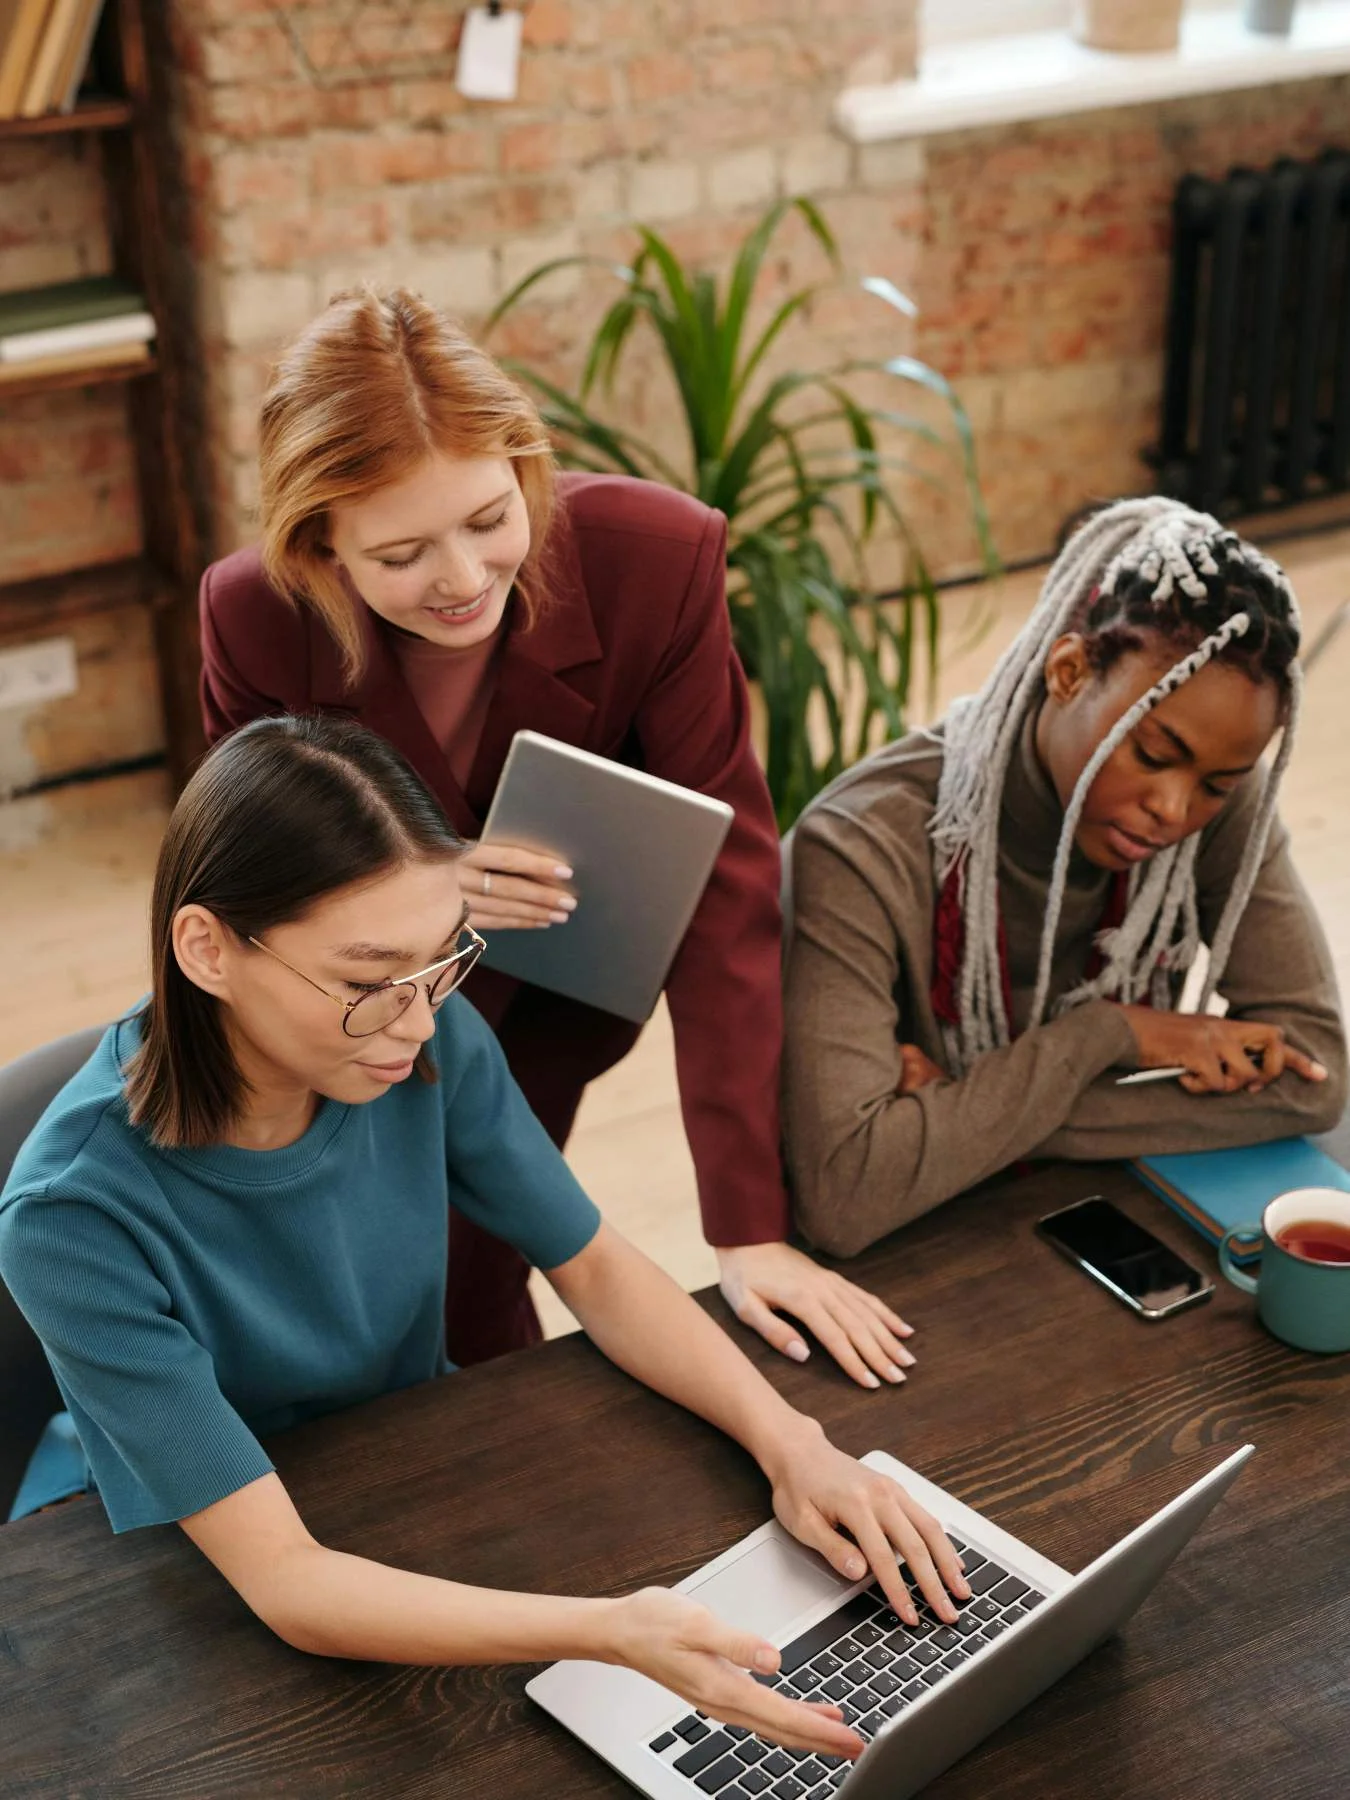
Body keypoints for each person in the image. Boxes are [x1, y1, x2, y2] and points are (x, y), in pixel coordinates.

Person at [0, 715, 969, 1761]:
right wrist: (611, 1632)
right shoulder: (69, 1217)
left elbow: (595, 1265)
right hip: (218, 1574)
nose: (420, 1020)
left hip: (419, 1470)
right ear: (207, 949)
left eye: (443, 960)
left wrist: (795, 1447)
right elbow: (284, 1581)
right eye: (368, 981)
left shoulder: (422, 1036)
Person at [196, 285, 911, 1392]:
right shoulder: (251, 614)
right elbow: (247, 878)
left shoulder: (656, 560)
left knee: (480, 1262)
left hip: (560, 989)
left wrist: (747, 1228)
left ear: (525, 466)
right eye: (401, 554)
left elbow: (729, 889)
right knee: (354, 1280)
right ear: (319, 545)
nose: (462, 579)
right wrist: (429, 882)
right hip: (349, 999)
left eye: (490, 520)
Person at [783, 497, 1347, 1258]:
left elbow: (1315, 1076)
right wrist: (1112, 1035)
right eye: (1153, 755)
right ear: (1069, 672)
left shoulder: (1221, 810)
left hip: (1100, 1212)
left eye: (1217, 784)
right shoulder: (860, 843)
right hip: (912, 1263)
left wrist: (962, 1108)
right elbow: (847, 1191)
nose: (1174, 809)